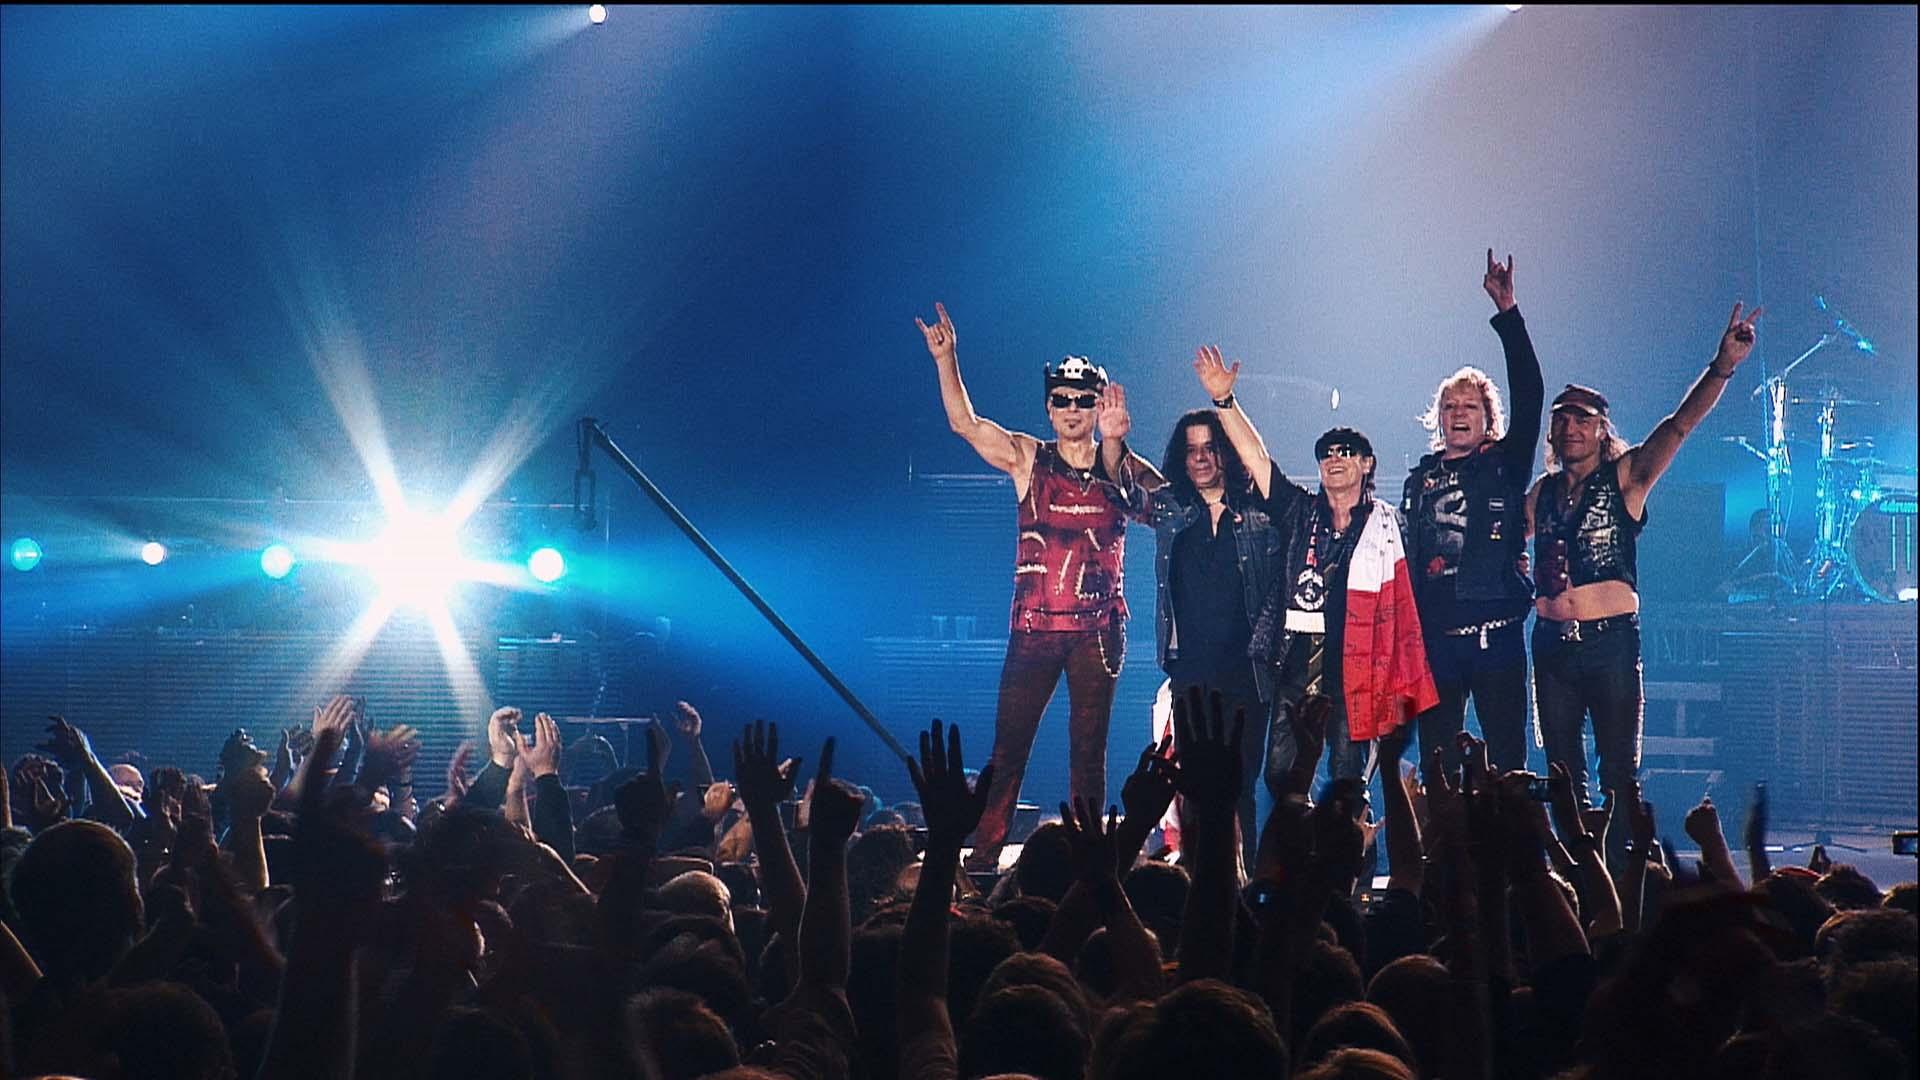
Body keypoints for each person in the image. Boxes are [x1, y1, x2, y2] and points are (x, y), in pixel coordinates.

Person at [1526, 302, 1764, 843]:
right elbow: (1499, 544)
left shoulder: (1626, 476)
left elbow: (1680, 426)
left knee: (1617, 775)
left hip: (1608, 644)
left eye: (1581, 418)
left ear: (1600, 428)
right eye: (1560, 418)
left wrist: (1722, 365)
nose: (1569, 428)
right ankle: (1576, 876)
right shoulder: (1541, 494)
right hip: (1551, 645)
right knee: (1562, 774)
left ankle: (1622, 883)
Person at [916, 302, 1137, 872]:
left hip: (1098, 633)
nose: (1070, 409)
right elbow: (965, 424)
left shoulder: (1121, 466)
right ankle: (984, 857)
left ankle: (1091, 860)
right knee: (1008, 748)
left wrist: (1118, 449)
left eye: (1082, 399)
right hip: (1034, 628)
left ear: (1098, 406)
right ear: (1047, 405)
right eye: (1060, 399)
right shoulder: (1026, 457)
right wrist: (947, 359)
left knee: (1088, 754)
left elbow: (1167, 509)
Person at [1197, 354, 1436, 792]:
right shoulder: (1299, 511)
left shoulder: (1393, 528)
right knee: (1278, 778)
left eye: (1346, 452)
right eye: (1326, 454)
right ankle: (1289, 859)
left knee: (1346, 782)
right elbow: (1257, 459)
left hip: (1357, 668)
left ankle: (1346, 859)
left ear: (1368, 464)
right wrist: (1224, 399)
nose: (1333, 459)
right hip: (1295, 666)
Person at [1106, 349, 1288, 870]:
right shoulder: (1171, 510)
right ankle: (1199, 878)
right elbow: (1123, 486)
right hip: (1191, 673)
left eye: (1211, 447)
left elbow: (1264, 465)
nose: (1202, 457)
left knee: (1244, 786)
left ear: (1227, 452)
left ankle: (1250, 881)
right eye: (1191, 450)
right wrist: (1113, 438)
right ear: (1181, 460)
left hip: (1249, 672)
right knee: (1192, 788)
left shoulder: (1261, 512)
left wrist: (1224, 399)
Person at [1397, 250, 1545, 777]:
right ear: (1438, 419)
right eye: (1450, 408)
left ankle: (1515, 857)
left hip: (1497, 636)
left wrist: (1508, 313)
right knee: (1438, 766)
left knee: (1509, 763)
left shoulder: (1505, 464)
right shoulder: (1418, 481)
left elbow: (1531, 395)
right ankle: (1442, 859)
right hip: (1437, 645)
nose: (1459, 415)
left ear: (1488, 417)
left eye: (1470, 407)